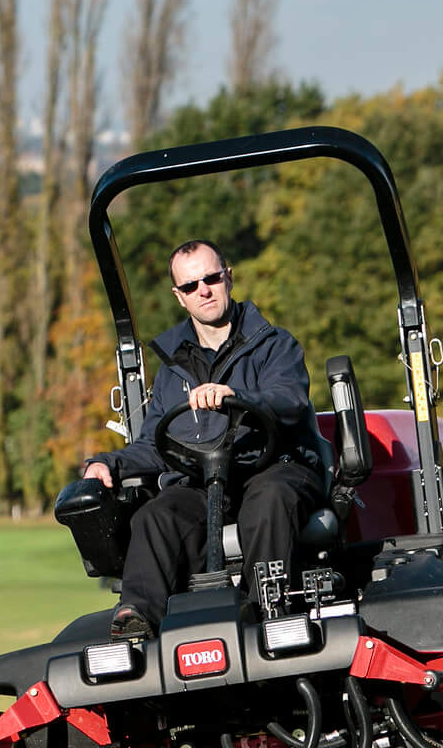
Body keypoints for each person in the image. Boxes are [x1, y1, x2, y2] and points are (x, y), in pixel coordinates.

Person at [81, 239, 327, 640]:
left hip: (271, 468)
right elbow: (154, 445)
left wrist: (237, 398)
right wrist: (107, 463)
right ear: (180, 297)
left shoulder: (274, 344)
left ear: (228, 277)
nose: (204, 291)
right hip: (203, 482)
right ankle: (137, 621)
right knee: (155, 515)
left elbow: (290, 401)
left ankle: (267, 611)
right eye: (192, 285)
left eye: (211, 278)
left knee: (268, 502)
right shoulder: (172, 369)